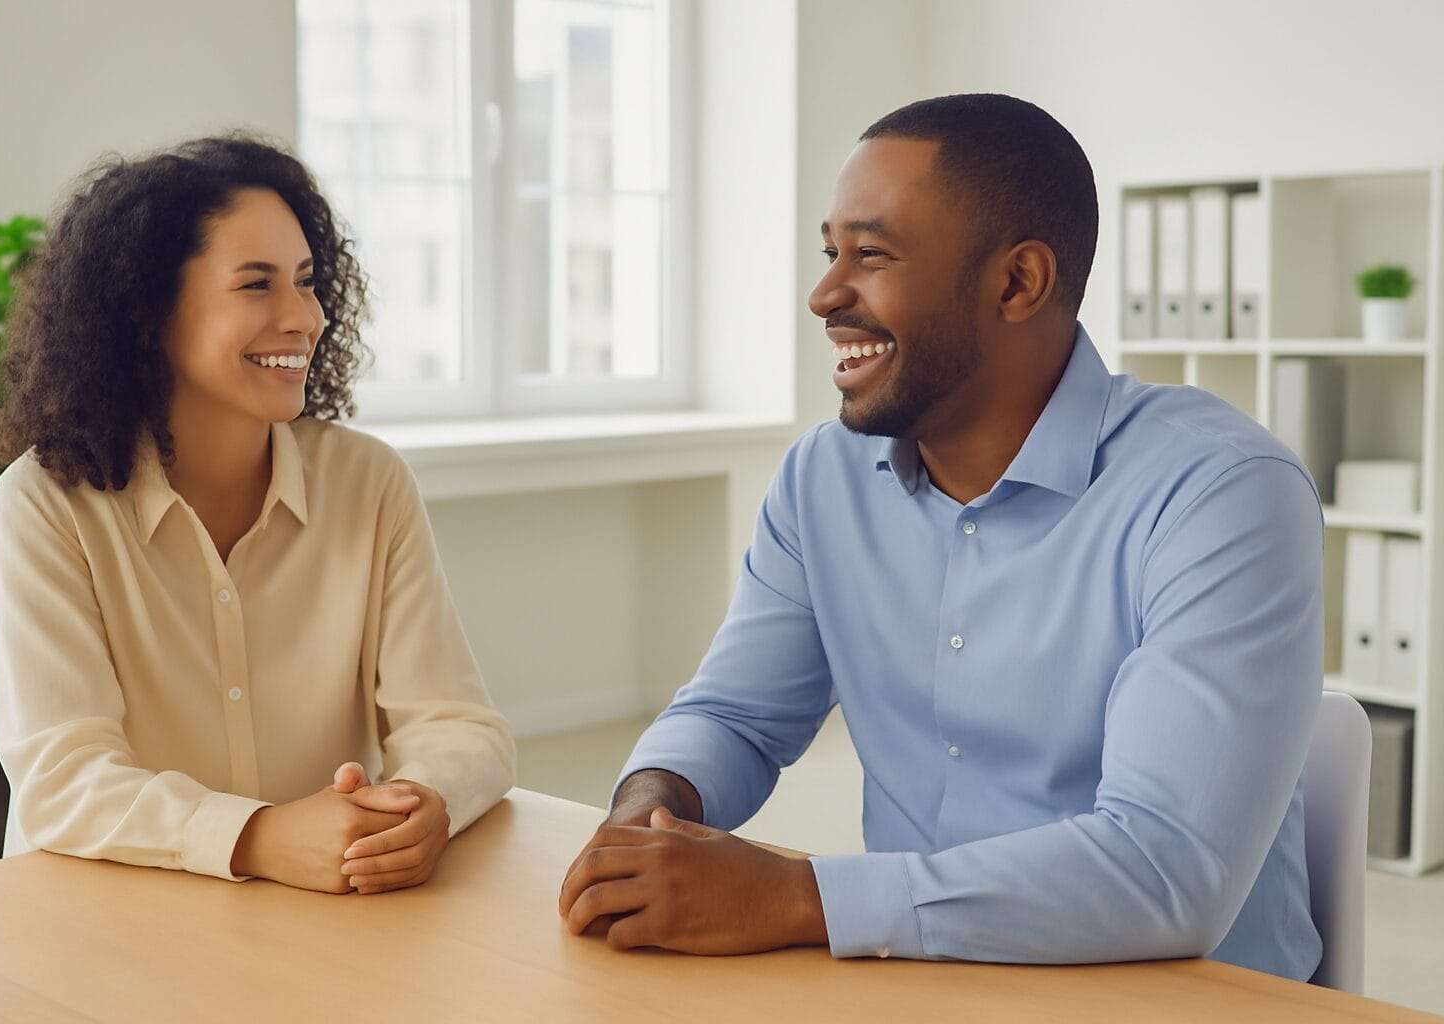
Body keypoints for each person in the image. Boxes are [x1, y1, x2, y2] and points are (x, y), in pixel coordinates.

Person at [559, 94, 1324, 980]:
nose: (824, 294)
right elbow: (735, 717)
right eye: (829, 251)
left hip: (1182, 995)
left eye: (871, 254)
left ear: (1016, 283)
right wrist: (649, 808)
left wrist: (797, 897)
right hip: (920, 976)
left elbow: (1163, 872)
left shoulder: (1219, 493)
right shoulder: (824, 479)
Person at [0, 135, 514, 895]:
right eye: (256, 285)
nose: (304, 317)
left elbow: (461, 726)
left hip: (317, 920)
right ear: (147, 310)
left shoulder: (368, 482)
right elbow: (64, 780)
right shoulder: (45, 501)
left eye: (306, 281)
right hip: (98, 920)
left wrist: (418, 805)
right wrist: (257, 836)